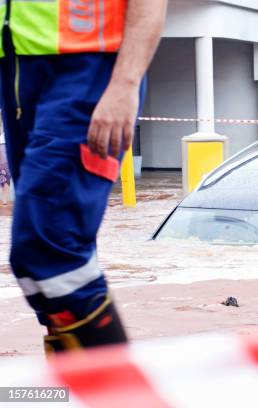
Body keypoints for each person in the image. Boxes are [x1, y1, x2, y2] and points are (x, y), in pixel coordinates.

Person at [0, 0, 167, 353]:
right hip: (17, 66)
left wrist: (125, 82)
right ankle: (78, 393)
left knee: (49, 247)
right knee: (37, 273)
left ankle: (117, 393)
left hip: (90, 66)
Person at [0, 119, 10, 206]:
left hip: (5, 143)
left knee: (5, 172)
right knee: (5, 172)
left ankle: (4, 201)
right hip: (3, 143)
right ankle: (4, 202)